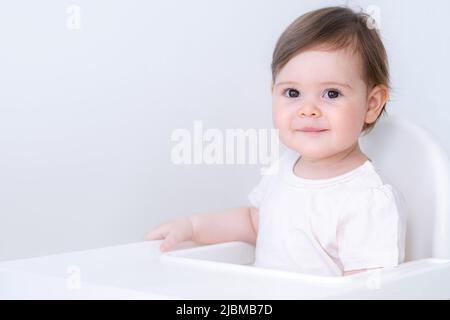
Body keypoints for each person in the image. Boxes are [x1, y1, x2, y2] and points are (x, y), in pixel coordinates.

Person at [145, 6, 406, 277]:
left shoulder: (366, 200)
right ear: (273, 94)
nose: (308, 109)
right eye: (292, 92)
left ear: (371, 104)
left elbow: (371, 289)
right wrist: (192, 227)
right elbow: (254, 223)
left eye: (331, 93)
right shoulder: (284, 168)